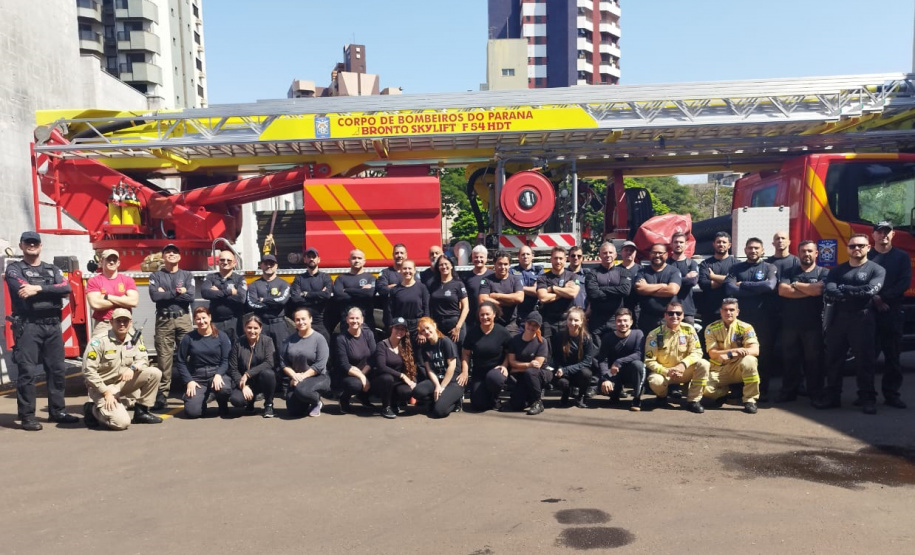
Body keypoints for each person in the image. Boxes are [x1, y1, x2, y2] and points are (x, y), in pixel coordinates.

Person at [5, 232, 79, 430]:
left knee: (57, 370)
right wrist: (50, 288)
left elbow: (66, 288)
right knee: (27, 372)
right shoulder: (14, 269)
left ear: (40, 245)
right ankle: (28, 416)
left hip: (53, 326)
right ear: (21, 246)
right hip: (29, 325)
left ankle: (58, 411)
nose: (31, 245)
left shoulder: (52, 268)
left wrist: (36, 289)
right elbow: (21, 289)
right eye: (27, 243)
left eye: (35, 242)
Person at [815, 235, 886, 414]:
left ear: (868, 247)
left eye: (861, 246)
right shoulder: (838, 270)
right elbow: (829, 289)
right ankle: (832, 397)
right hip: (838, 319)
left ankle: (867, 398)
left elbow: (870, 291)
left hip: (863, 319)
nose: (857, 249)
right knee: (833, 359)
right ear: (847, 248)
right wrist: (853, 291)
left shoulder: (876, 270)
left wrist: (845, 289)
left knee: (865, 361)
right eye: (853, 246)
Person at [81, 308, 163, 429]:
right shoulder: (98, 341)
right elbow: (88, 371)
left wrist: (133, 368)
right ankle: (92, 410)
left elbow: (144, 359)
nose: (122, 324)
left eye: (125, 321)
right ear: (111, 322)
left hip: (122, 383)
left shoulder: (134, 338)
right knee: (121, 423)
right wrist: (106, 392)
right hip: (103, 386)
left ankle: (141, 412)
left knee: (154, 373)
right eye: (118, 321)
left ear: (130, 322)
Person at [723, 238, 777, 401]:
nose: (753, 251)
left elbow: (770, 287)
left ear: (762, 251)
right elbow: (731, 289)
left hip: (763, 319)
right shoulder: (736, 268)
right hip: (741, 321)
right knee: (738, 353)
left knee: (763, 355)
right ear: (745, 250)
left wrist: (744, 284)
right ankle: (738, 388)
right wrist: (757, 287)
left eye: (756, 248)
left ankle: (761, 390)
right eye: (750, 248)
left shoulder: (769, 267)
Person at [775, 240, 827, 403]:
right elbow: (783, 291)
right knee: (789, 360)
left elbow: (819, 289)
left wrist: (796, 285)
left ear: (816, 253)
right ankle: (788, 393)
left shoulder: (823, 272)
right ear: (798, 254)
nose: (807, 254)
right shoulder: (789, 270)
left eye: (810, 251)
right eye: (803, 251)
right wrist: (809, 290)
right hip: (790, 324)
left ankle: (815, 394)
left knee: (814, 362)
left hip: (813, 325)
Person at [868, 221, 911, 409]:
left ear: (892, 235)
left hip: (892, 311)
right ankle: (867, 395)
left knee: (892, 357)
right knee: (867, 357)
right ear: (873, 235)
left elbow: (904, 283)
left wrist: (883, 297)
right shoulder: (866, 256)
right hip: (868, 312)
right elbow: (857, 280)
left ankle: (892, 394)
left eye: (887, 232)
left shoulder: (901, 257)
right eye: (879, 232)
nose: (883, 235)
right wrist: (874, 298)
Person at [149, 243, 195, 410]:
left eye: (175, 252)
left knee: (188, 355)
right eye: (167, 252)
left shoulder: (187, 275)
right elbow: (155, 296)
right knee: (164, 358)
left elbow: (190, 297)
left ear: (180, 256)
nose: (171, 254)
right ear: (163, 257)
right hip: (164, 320)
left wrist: (166, 294)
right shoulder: (156, 275)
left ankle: (190, 389)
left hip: (183, 319)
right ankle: (162, 395)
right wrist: (178, 292)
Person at [644, 300, 709, 413]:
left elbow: (697, 352)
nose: (674, 316)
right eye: (671, 313)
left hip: (684, 371)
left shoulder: (689, 330)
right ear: (665, 315)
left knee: (704, 364)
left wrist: (683, 365)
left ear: (683, 315)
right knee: (655, 381)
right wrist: (666, 371)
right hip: (665, 373)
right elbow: (649, 360)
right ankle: (662, 397)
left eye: (678, 313)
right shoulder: (654, 334)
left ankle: (693, 401)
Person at [703, 298, 761, 414]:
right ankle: (724, 392)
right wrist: (736, 350)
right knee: (703, 389)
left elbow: (755, 350)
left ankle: (750, 400)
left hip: (738, 368)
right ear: (720, 311)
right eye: (725, 310)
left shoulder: (746, 327)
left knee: (750, 360)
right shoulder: (711, 328)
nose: (728, 313)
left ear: (737, 312)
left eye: (731, 310)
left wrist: (731, 354)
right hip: (720, 369)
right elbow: (712, 353)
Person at [174, 306, 233, 419]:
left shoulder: (221, 336)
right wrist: (189, 381)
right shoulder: (188, 338)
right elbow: (180, 361)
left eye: (204, 318)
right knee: (193, 412)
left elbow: (226, 360)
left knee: (224, 388)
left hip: (216, 372)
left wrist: (219, 374)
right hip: (197, 376)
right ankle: (201, 401)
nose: (201, 321)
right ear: (194, 321)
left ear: (210, 317)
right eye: (198, 319)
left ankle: (222, 403)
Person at [463, 302, 513, 412]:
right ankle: (486, 396)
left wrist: (504, 366)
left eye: (487, 314)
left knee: (494, 379)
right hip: (479, 373)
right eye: (482, 315)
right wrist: (465, 371)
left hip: (496, 371)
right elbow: (466, 353)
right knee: (478, 405)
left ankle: (495, 398)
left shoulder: (502, 332)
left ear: (494, 314)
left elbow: (510, 352)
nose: (485, 317)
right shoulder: (472, 332)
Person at [282, 307, 330, 418]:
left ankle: (316, 401)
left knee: (302, 390)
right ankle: (305, 401)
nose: (301, 322)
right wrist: (294, 376)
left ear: (310, 319)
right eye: (297, 320)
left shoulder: (319, 339)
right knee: (294, 411)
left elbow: (320, 365)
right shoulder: (288, 340)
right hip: (297, 377)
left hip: (318, 377)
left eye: (304, 319)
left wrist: (302, 377)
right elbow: (283, 363)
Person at [226, 314, 278, 418]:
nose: (252, 331)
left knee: (268, 373)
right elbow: (233, 368)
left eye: (255, 328)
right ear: (245, 328)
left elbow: (269, 362)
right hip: (244, 382)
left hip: (261, 379)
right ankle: (250, 403)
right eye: (249, 327)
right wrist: (243, 385)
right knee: (236, 400)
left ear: (261, 328)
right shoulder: (238, 342)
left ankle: (268, 404)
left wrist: (248, 374)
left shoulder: (267, 341)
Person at [413, 317, 464, 418]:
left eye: (428, 328)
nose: (426, 331)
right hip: (437, 380)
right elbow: (429, 370)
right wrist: (437, 385)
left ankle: (456, 401)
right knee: (417, 392)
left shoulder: (445, 341)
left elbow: (452, 366)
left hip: (452, 381)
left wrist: (442, 387)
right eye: (423, 330)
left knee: (439, 411)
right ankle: (435, 400)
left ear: (434, 326)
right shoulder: (425, 346)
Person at [503, 311, 551, 415]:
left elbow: (537, 366)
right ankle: (528, 398)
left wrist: (518, 368)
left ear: (539, 327)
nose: (531, 327)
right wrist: (528, 365)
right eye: (530, 323)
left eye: (535, 325)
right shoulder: (515, 340)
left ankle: (538, 402)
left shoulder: (542, 342)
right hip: (523, 376)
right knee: (516, 405)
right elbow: (512, 362)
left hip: (540, 374)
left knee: (530, 372)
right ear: (525, 323)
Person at [596, 308, 645, 411]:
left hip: (631, 373)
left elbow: (639, 354)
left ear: (631, 322)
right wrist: (605, 378)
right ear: (615, 322)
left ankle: (636, 398)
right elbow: (602, 360)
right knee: (603, 387)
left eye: (625, 320)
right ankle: (615, 392)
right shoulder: (608, 337)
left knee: (638, 365)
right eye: (619, 321)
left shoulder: (638, 334)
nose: (622, 323)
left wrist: (618, 361)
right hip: (615, 374)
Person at [86, 248, 139, 338]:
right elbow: (95, 304)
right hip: (104, 324)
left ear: (118, 263)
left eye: (114, 260)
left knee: (129, 351)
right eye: (108, 260)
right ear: (101, 262)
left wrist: (108, 297)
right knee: (98, 351)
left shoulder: (127, 280)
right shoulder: (94, 281)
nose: (111, 262)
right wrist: (123, 300)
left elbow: (133, 302)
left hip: (125, 324)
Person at [247, 254, 292, 356]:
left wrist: (263, 300)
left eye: (271, 263)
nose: (269, 266)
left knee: (283, 354)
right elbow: (251, 304)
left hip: (279, 324)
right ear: (261, 266)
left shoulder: (284, 284)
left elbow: (282, 301)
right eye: (266, 263)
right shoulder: (254, 285)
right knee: (260, 354)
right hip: (261, 324)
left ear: (276, 266)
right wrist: (273, 303)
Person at [374, 317, 419, 419]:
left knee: (407, 391)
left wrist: (412, 381)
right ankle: (386, 407)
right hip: (382, 381)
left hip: (397, 382)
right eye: (397, 328)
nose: (400, 331)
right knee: (387, 378)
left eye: (402, 329)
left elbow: (411, 366)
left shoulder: (405, 346)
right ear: (391, 329)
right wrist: (402, 375)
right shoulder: (382, 345)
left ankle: (394, 403)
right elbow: (381, 367)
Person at [550, 307, 595, 409]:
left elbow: (587, 361)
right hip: (563, 371)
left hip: (578, 371)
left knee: (587, 374)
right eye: (570, 319)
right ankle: (565, 394)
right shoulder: (559, 336)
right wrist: (559, 368)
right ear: (566, 320)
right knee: (562, 382)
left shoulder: (587, 338)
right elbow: (555, 357)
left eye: (576, 320)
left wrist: (566, 370)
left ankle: (580, 396)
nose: (572, 323)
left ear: (582, 321)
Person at [585, 241, 633, 338]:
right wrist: (616, 292)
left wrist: (602, 289)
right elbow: (593, 294)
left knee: (616, 352)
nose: (608, 255)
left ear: (615, 255)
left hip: (616, 320)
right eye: (605, 253)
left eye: (610, 252)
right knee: (595, 352)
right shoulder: (592, 273)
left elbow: (625, 290)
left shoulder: (623, 272)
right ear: (600, 255)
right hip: (597, 320)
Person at [634, 243, 682, 336]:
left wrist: (648, 289)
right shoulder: (642, 272)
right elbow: (640, 289)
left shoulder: (674, 271)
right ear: (650, 254)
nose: (657, 255)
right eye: (654, 253)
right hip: (646, 319)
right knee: (647, 348)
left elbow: (672, 290)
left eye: (660, 253)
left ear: (666, 255)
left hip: (668, 319)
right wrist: (663, 285)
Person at [335, 307, 377, 414]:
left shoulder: (368, 334)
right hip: (348, 374)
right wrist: (362, 376)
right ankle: (344, 400)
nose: (355, 321)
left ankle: (363, 397)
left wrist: (363, 373)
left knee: (382, 378)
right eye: (352, 318)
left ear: (362, 320)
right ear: (347, 320)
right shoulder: (341, 338)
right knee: (356, 385)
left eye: (357, 318)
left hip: (366, 370)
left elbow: (373, 357)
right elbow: (344, 365)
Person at [200, 249, 247, 343]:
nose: (225, 262)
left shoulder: (239, 279)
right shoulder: (211, 277)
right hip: (215, 322)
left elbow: (241, 298)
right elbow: (205, 293)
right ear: (218, 262)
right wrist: (229, 292)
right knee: (215, 351)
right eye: (222, 260)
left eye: (228, 260)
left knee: (234, 353)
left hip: (234, 323)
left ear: (234, 263)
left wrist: (217, 293)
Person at [289, 247, 334, 344]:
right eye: (308, 257)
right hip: (304, 323)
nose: (311, 259)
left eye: (314, 256)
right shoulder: (299, 279)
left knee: (325, 352)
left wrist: (305, 294)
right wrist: (318, 296)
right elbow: (296, 299)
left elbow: (326, 295)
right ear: (305, 259)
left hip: (321, 322)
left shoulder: (325, 277)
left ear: (319, 259)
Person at [536, 246, 582, 339]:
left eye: (561, 258)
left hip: (566, 321)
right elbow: (543, 298)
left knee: (565, 352)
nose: (558, 261)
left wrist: (552, 288)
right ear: (551, 260)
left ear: (565, 260)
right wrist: (564, 290)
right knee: (548, 352)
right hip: (548, 321)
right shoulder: (543, 278)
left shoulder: (573, 276)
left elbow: (573, 294)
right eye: (555, 258)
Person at [697, 232, 736, 331]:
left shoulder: (736, 264)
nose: (721, 244)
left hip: (730, 312)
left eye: (724, 242)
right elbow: (704, 284)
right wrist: (728, 281)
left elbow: (737, 282)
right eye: (718, 242)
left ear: (729, 245)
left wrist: (713, 277)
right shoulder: (705, 264)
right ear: (714, 244)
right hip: (710, 311)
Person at [428, 255, 469, 348]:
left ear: (451, 266)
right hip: (438, 324)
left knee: (457, 354)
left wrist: (458, 327)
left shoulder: (458, 284)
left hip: (454, 323)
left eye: (446, 264)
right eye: (441, 265)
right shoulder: (433, 285)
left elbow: (466, 307)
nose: (444, 267)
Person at [478, 250, 524, 332]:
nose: (503, 267)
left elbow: (519, 298)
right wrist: (508, 302)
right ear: (494, 264)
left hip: (511, 324)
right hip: (492, 323)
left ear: (509, 265)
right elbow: (482, 299)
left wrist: (497, 296)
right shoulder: (486, 280)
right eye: (500, 264)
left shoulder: (515, 279)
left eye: (505, 264)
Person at [333, 249, 377, 331]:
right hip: (347, 324)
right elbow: (339, 296)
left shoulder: (371, 278)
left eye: (359, 258)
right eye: (354, 258)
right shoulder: (341, 278)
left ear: (364, 261)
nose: (357, 260)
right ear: (349, 260)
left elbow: (369, 294)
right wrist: (361, 292)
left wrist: (347, 290)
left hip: (366, 323)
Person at [389, 259, 429, 339]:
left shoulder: (422, 288)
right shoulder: (395, 290)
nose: (407, 271)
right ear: (400, 270)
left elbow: (426, 309)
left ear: (414, 270)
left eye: (410, 268)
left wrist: (423, 330)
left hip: (417, 328)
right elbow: (390, 311)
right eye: (404, 268)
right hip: (401, 327)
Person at [668, 232, 699, 324]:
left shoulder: (692, 264)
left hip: (687, 310)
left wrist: (672, 282)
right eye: (676, 242)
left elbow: (693, 281)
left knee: (689, 338)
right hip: (669, 310)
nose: (678, 244)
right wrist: (686, 277)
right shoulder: (666, 264)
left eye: (681, 242)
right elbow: (662, 281)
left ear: (686, 244)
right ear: (671, 244)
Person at [376, 243, 407, 329]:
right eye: (396, 253)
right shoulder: (385, 272)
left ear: (406, 255)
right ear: (393, 255)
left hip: (407, 316)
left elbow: (415, 289)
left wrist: (392, 287)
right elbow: (381, 289)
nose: (399, 255)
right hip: (390, 317)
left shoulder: (411, 272)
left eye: (401, 253)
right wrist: (403, 287)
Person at [510, 245, 543, 325]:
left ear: (532, 256)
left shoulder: (539, 271)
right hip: (516, 314)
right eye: (523, 254)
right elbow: (509, 290)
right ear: (518, 256)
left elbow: (537, 292)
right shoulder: (511, 271)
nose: (525, 256)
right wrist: (530, 289)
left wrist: (518, 288)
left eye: (528, 254)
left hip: (534, 312)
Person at [461, 245, 493, 324]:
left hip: (489, 318)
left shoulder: (493, 275)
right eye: (476, 257)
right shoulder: (465, 277)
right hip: (470, 319)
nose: (479, 259)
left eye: (481, 257)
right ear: (472, 258)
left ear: (486, 258)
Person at [567, 245, 589, 309]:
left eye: (579, 256)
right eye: (573, 256)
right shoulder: (563, 275)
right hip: (567, 315)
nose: (576, 258)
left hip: (584, 313)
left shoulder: (588, 275)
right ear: (568, 258)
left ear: (582, 258)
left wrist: (587, 313)